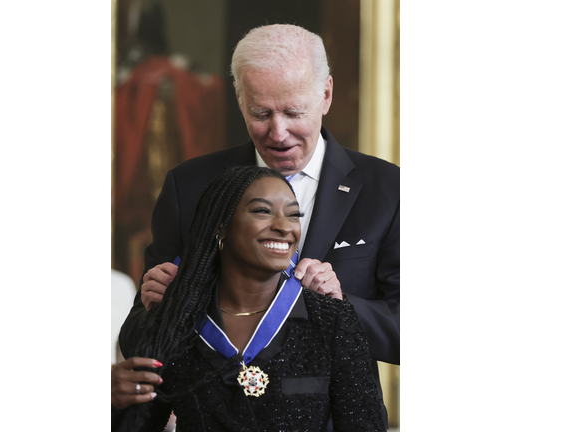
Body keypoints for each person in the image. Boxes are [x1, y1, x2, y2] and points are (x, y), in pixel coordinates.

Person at [118, 23, 399, 427]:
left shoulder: (389, 190)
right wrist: (153, 306)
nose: (278, 132)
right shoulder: (190, 186)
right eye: (261, 113)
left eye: (293, 112)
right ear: (239, 98)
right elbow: (138, 340)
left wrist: (342, 307)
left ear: (326, 94)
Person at [112, 166, 386, 431]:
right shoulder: (175, 321)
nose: (283, 227)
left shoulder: (333, 320)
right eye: (263, 211)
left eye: (293, 215)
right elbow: (137, 424)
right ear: (221, 227)